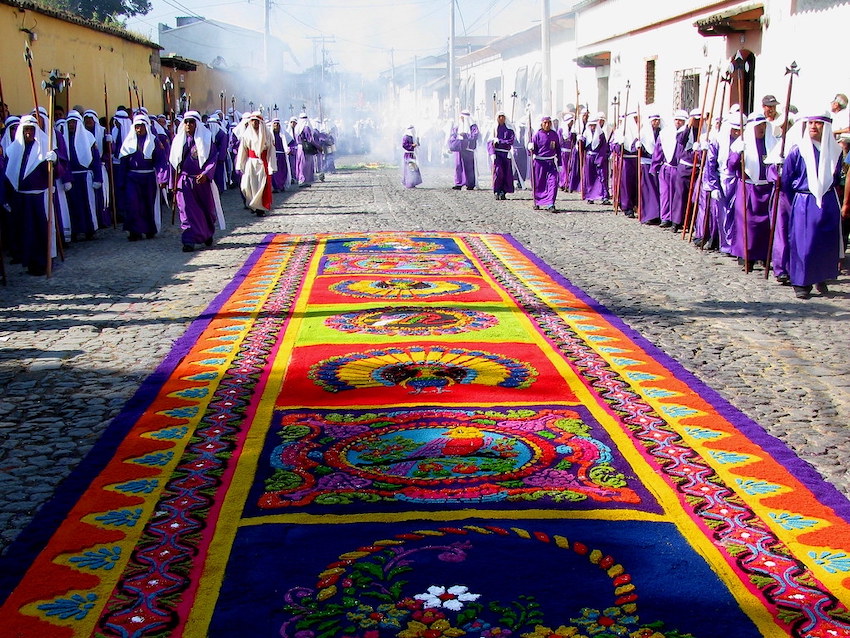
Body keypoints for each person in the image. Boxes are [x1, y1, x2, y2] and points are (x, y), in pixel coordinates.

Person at [780, 111, 843, 299]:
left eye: (818, 123)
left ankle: (820, 276)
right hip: (804, 200)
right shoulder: (797, 151)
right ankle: (801, 282)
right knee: (803, 243)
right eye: (810, 123)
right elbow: (787, 180)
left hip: (828, 199)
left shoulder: (835, 152)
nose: (813, 126)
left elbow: (836, 178)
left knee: (825, 242)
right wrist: (798, 200)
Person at [3, 114, 58, 275]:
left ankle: (43, 262)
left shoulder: (45, 148)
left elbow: (55, 173)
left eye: (31, 130)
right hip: (21, 198)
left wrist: (54, 162)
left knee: (41, 230)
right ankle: (30, 262)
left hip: (39, 197)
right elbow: (8, 173)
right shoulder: (14, 149)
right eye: (26, 129)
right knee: (26, 231)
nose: (28, 133)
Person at [727, 112, 778, 272]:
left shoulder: (773, 143)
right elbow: (731, 167)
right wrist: (737, 154)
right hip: (748, 188)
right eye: (758, 126)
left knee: (766, 225)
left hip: (767, 188)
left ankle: (764, 255)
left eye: (763, 125)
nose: (761, 128)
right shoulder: (742, 144)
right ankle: (746, 256)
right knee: (747, 224)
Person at [169, 111, 225, 252]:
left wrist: (206, 173)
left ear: (197, 124)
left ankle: (206, 233)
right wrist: (171, 183)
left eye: (191, 122)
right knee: (186, 210)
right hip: (184, 181)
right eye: (186, 122)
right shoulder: (178, 141)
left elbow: (212, 158)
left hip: (201, 182)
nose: (188, 124)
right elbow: (173, 163)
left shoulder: (206, 140)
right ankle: (188, 240)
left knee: (205, 210)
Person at [118, 114, 168, 241]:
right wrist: (121, 181)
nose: (139, 129)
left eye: (141, 126)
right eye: (137, 126)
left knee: (148, 204)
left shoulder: (154, 141)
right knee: (133, 204)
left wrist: (162, 178)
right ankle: (134, 231)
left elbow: (161, 161)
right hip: (132, 178)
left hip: (148, 177)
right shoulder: (128, 142)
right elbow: (123, 163)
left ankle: (149, 229)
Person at [62, 110, 102, 241]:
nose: (71, 125)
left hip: (85, 176)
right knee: (72, 205)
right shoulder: (64, 138)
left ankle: (90, 229)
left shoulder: (89, 138)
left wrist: (98, 178)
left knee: (87, 204)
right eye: (69, 123)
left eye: (74, 122)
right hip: (71, 176)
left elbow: (96, 159)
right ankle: (74, 230)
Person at [236, 111, 277, 216]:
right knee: (246, 186)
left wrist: (271, 165)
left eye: (257, 121)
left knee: (261, 186)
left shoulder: (267, 134)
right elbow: (243, 150)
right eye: (253, 121)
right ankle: (252, 204)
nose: (255, 123)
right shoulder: (246, 135)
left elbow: (271, 150)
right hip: (250, 164)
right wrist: (240, 164)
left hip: (262, 164)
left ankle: (260, 209)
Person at [527, 114, 561, 211]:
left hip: (551, 163)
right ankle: (538, 201)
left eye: (549, 123)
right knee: (539, 184)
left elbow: (558, 149)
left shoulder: (554, 135)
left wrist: (560, 163)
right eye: (545, 123)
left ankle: (551, 203)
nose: (547, 125)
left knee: (553, 182)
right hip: (539, 163)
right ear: (541, 124)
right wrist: (530, 148)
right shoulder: (537, 135)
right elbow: (531, 152)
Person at [638, 111, 662, 224]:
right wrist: (639, 147)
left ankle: (658, 214)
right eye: (654, 120)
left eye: (658, 120)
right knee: (648, 190)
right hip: (646, 164)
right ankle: (649, 215)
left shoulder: (661, 132)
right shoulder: (643, 133)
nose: (656, 122)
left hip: (658, 164)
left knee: (657, 190)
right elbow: (634, 148)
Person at [582, 112, 610, 205]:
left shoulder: (601, 135)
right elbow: (582, 147)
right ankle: (590, 196)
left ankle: (604, 196)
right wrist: (579, 141)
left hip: (599, 157)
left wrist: (600, 159)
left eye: (594, 125)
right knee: (590, 177)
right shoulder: (586, 134)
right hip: (589, 158)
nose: (593, 127)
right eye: (591, 125)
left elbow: (604, 148)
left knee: (602, 177)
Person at [448, 109, 479, 190]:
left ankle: (470, 183)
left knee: (468, 167)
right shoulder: (457, 126)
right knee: (458, 166)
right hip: (459, 148)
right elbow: (453, 135)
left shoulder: (473, 126)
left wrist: (465, 135)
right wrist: (452, 143)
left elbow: (475, 136)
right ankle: (459, 183)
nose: (461, 119)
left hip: (468, 149)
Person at [489, 112, 515, 200]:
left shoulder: (509, 130)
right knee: (498, 172)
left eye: (502, 117)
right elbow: (489, 142)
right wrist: (492, 153)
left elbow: (511, 141)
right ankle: (497, 190)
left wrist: (500, 141)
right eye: (499, 117)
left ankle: (503, 191)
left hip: (505, 154)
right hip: (497, 154)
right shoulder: (494, 129)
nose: (501, 118)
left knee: (506, 173)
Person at [270, 118, 290, 193]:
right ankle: (276, 187)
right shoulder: (270, 135)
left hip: (282, 156)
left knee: (283, 171)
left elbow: (291, 143)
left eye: (278, 124)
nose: (276, 125)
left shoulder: (283, 134)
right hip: (273, 156)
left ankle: (282, 186)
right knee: (274, 172)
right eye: (275, 124)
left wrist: (289, 149)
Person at [401, 125, 423, 189]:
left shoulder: (413, 137)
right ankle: (409, 183)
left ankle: (413, 182)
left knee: (413, 169)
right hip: (408, 154)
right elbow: (404, 145)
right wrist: (412, 145)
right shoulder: (406, 136)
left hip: (412, 154)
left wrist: (417, 142)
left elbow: (416, 144)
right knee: (410, 169)